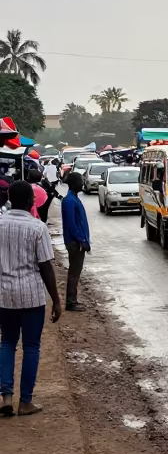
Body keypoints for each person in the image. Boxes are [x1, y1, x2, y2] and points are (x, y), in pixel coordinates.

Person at [0, 180, 62, 416]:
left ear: (9, 199)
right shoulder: (37, 228)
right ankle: (25, 402)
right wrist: (56, 300)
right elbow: (46, 266)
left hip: (4, 295)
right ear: (30, 201)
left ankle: (6, 396)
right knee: (31, 347)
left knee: (7, 343)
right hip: (31, 296)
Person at [61, 172, 91, 312]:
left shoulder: (73, 199)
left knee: (76, 271)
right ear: (74, 184)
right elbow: (72, 225)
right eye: (80, 181)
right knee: (74, 272)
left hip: (77, 241)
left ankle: (72, 300)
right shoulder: (69, 201)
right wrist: (82, 240)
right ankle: (71, 302)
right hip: (75, 242)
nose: (82, 183)